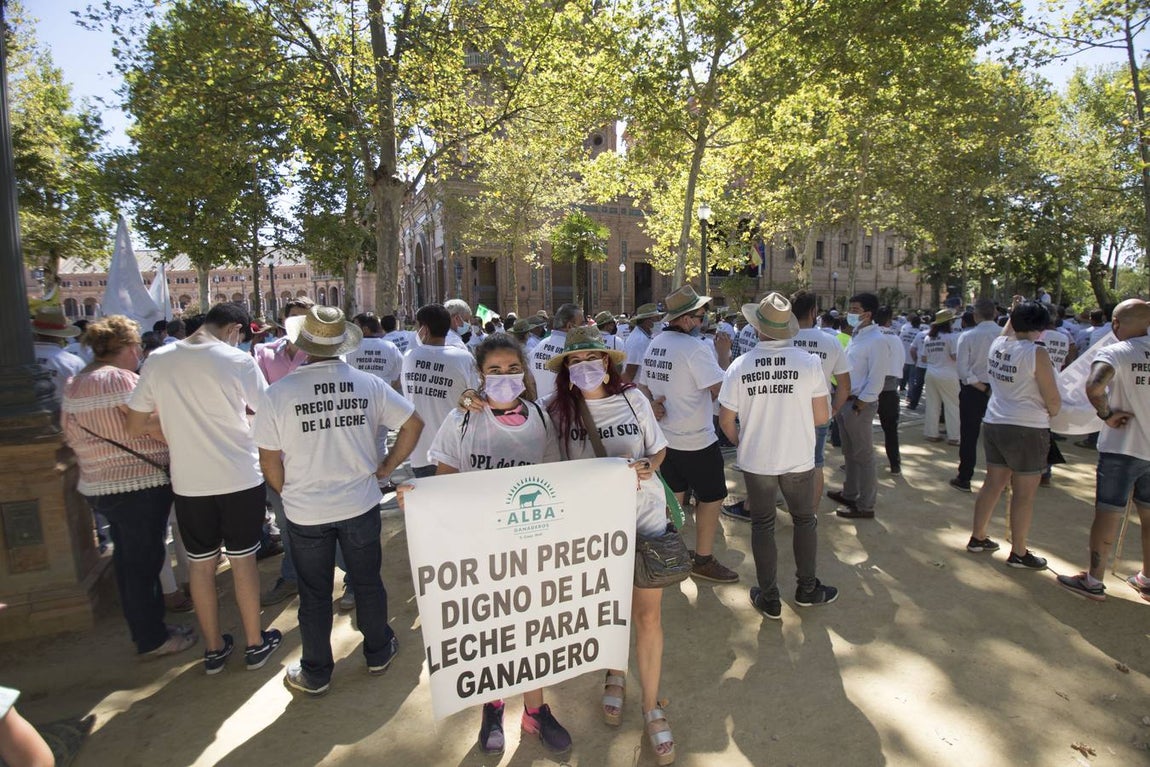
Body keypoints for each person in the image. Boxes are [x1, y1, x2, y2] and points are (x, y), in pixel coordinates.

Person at [254, 306, 422, 695]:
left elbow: (268, 459)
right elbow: (413, 424)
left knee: (313, 593)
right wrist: (387, 466)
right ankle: (378, 649)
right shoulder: (368, 384)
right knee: (366, 580)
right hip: (359, 503)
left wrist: (288, 492)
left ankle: (316, 670)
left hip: (305, 510)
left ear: (301, 345)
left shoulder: (279, 394)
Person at [423, 335, 570, 755]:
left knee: (534, 631)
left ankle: (536, 711)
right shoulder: (462, 421)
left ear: (524, 372)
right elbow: (444, 480)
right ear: (480, 376)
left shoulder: (541, 419)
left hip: (530, 545)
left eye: (512, 369)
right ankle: (493, 706)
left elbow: (555, 481)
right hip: (480, 548)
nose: (504, 377)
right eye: (494, 371)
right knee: (493, 631)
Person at [126, 302, 282, 675]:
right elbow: (268, 412)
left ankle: (213, 649)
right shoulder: (237, 360)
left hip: (189, 481)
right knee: (243, 561)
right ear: (233, 329)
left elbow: (134, 424)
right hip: (239, 476)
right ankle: (254, 643)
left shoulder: (159, 360)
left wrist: (175, 428)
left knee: (199, 566)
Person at [544, 326, 674, 764]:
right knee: (610, 611)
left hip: (645, 520)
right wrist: (472, 401)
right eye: (574, 363)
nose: (584, 368)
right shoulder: (557, 413)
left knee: (648, 616)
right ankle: (614, 673)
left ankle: (651, 704)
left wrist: (645, 466)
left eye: (591, 359)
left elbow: (658, 451)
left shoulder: (635, 399)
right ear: (565, 371)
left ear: (607, 362)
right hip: (593, 531)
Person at [61, 316, 197, 658]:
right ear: (127, 347)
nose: (139, 353)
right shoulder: (121, 380)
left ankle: (145, 629)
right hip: (138, 483)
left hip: (98, 484)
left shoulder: (76, 382)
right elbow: (150, 425)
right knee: (144, 562)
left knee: (128, 561)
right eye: (136, 346)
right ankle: (152, 637)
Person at [719, 293, 837, 622]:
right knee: (804, 521)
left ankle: (769, 597)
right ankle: (807, 588)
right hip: (799, 458)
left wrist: (745, 441)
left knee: (762, 526)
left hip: (757, 461)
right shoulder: (809, 363)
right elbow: (820, 417)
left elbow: (726, 421)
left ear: (757, 327)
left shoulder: (739, 366)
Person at [639, 285, 736, 582]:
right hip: (696, 440)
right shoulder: (696, 349)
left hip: (665, 440)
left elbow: (642, 386)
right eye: (700, 314)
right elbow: (723, 389)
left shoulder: (655, 342)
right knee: (712, 497)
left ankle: (672, 556)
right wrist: (724, 355)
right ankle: (702, 559)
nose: (704, 318)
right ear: (684, 319)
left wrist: (653, 404)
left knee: (674, 499)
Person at [1057, 299, 1150, 601]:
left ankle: (1094, 581)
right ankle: (1146, 578)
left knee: (1107, 513)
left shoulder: (1116, 351)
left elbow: (1095, 387)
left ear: (1116, 324)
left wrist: (1106, 415)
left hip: (1122, 448)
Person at [967, 300, 1061, 569]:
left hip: (996, 421)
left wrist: (1014, 312)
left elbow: (1008, 330)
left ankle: (978, 536)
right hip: (1027, 427)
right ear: (1042, 327)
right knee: (1024, 494)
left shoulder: (999, 344)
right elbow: (1052, 398)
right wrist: (1055, 413)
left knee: (993, 483)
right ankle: (1019, 551)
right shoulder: (1036, 353)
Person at [255, 297, 315, 608]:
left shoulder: (324, 354)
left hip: (315, 456)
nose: (299, 324)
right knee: (287, 523)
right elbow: (258, 402)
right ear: (283, 320)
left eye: (305, 319)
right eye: (293, 318)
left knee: (335, 521)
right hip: (277, 458)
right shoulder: (263, 353)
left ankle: (350, 580)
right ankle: (292, 577)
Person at [827, 293, 890, 520]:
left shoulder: (877, 340)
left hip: (858, 405)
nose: (850, 313)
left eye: (855, 309)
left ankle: (866, 504)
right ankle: (850, 492)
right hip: (846, 401)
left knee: (863, 455)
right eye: (850, 308)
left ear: (868, 314)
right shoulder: (857, 336)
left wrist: (861, 403)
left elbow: (876, 378)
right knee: (850, 453)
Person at [401, 304, 479, 479]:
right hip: (456, 449)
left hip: (421, 450)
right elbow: (475, 398)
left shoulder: (410, 358)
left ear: (424, 329)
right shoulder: (464, 358)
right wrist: (462, 403)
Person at [951, 299, 1002, 492]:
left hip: (974, 389)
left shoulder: (968, 336)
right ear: (995, 314)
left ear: (975, 315)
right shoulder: (1004, 335)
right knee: (1000, 436)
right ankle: (1004, 480)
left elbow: (963, 371)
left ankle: (965, 477)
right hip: (1000, 389)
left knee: (969, 435)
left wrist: (982, 387)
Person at [30, 305, 85, 404]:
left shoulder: (19, 359)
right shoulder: (73, 362)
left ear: (35, 333)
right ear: (61, 336)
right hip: (62, 414)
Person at [921, 309, 960, 445]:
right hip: (948, 373)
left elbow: (924, 358)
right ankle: (954, 437)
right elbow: (955, 356)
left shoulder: (928, 337)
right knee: (952, 405)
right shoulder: (951, 337)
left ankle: (931, 433)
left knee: (932, 404)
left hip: (931, 373)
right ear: (948, 322)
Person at [528, 303, 582, 401]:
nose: (584, 327)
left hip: (543, 410)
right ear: (570, 326)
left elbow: (531, 382)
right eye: (582, 324)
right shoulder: (574, 350)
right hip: (568, 409)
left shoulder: (538, 346)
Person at [875, 306, 906, 475]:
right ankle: (895, 464)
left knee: (862, 430)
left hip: (870, 387)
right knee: (891, 430)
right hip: (890, 388)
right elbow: (901, 361)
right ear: (889, 320)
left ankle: (855, 463)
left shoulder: (870, 336)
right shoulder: (895, 338)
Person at [622, 304, 664, 383]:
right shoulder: (638, 341)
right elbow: (629, 373)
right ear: (647, 321)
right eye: (657, 318)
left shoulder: (645, 336)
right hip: (637, 389)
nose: (659, 322)